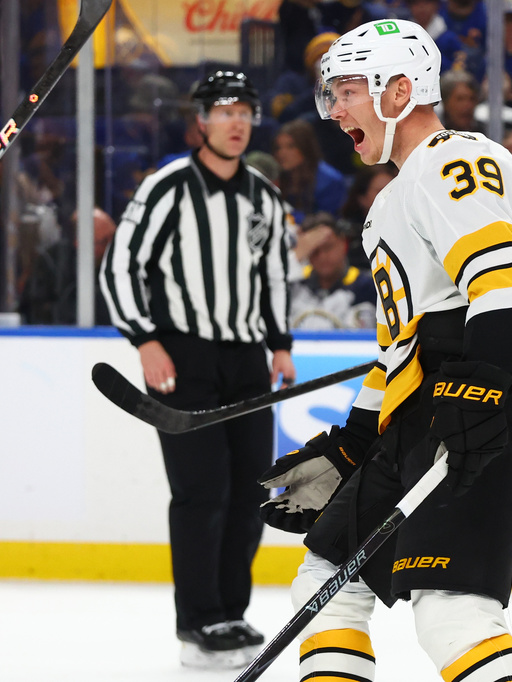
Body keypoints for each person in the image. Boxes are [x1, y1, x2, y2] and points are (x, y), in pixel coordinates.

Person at [259, 18, 512, 681]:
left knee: (452, 610)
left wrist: (481, 389)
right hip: (432, 402)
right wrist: (352, 441)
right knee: (326, 585)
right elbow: (402, 347)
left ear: (399, 90)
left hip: (481, 394)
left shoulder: (455, 157)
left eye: (347, 90)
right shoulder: (389, 203)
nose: (334, 109)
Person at [99, 70, 295, 669]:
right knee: (201, 492)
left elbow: (275, 275)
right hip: (184, 356)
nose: (237, 122)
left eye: (246, 111)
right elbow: (121, 266)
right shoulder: (167, 187)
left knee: (251, 492)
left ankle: (230, 611)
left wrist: (280, 343)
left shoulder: (264, 194)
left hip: (246, 361)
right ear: (201, 120)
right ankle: (198, 621)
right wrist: (146, 340)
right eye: (225, 110)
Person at [19, 208, 116, 325]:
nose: (112, 246)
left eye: (114, 238)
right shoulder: (52, 263)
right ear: (80, 243)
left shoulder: (119, 264)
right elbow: (33, 310)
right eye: (105, 240)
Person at [289, 212, 376, 329]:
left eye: (328, 248)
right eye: (315, 251)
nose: (322, 257)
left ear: (343, 244)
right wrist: (297, 254)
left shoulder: (368, 286)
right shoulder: (295, 284)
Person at [273, 119, 351, 224]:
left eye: (290, 146)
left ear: (305, 147)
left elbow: (328, 222)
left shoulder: (330, 180)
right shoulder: (279, 176)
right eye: (279, 147)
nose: (281, 153)